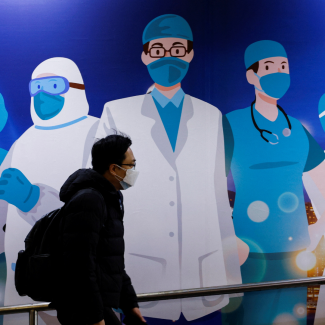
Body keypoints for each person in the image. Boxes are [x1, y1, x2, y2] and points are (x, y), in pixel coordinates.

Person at [93, 14, 244, 322]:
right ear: (145, 54)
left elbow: (218, 195)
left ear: (189, 54)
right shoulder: (116, 111)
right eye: (158, 50)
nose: (168, 57)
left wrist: (232, 279)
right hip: (141, 269)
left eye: (177, 49)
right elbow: (102, 191)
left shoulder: (210, 115)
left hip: (204, 274)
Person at [222, 40, 325, 325]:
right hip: (249, 251)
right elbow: (211, 185)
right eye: (268, 67)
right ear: (251, 76)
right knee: (249, 318)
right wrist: (228, 238)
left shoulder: (297, 129)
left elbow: (322, 180)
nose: (278, 73)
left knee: (291, 318)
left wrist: (317, 233)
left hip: (295, 252)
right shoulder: (232, 124)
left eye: (283, 67)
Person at [0, 57, 99, 325]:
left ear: (76, 88)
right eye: (37, 87)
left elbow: (92, 212)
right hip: (22, 283)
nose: (43, 95)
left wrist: (34, 200)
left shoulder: (96, 134)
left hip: (72, 281)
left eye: (54, 86)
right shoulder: (22, 143)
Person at [54, 134, 145, 325]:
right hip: (84, 309)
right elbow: (79, 265)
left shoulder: (110, 198)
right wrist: (95, 318)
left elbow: (110, 260)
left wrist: (129, 303)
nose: (133, 171)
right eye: (131, 165)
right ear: (114, 168)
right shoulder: (89, 200)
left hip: (96, 305)